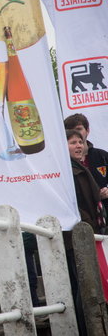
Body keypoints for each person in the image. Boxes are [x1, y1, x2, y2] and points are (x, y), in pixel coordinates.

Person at [65, 129, 106, 335]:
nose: (78, 146)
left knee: (89, 286)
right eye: (72, 143)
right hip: (79, 237)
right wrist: (89, 225)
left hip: (90, 234)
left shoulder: (80, 168)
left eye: (80, 142)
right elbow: (74, 205)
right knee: (84, 287)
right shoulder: (68, 172)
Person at [64, 113, 108, 211]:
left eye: (79, 129)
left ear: (87, 131)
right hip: (82, 216)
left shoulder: (102, 156)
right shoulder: (63, 163)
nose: (75, 132)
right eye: (71, 130)